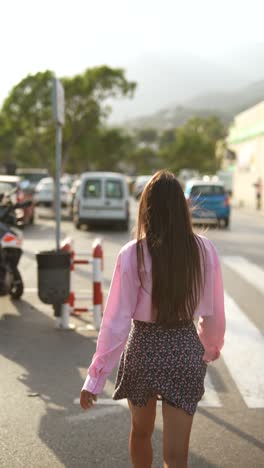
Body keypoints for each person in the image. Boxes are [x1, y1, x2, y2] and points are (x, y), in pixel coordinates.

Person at [80, 170, 225, 468]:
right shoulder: (205, 250)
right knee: (176, 455)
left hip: (143, 348)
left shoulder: (133, 253)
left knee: (141, 433)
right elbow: (215, 315)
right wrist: (208, 350)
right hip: (184, 348)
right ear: (183, 208)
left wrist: (95, 377)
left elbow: (115, 322)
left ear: (146, 207)